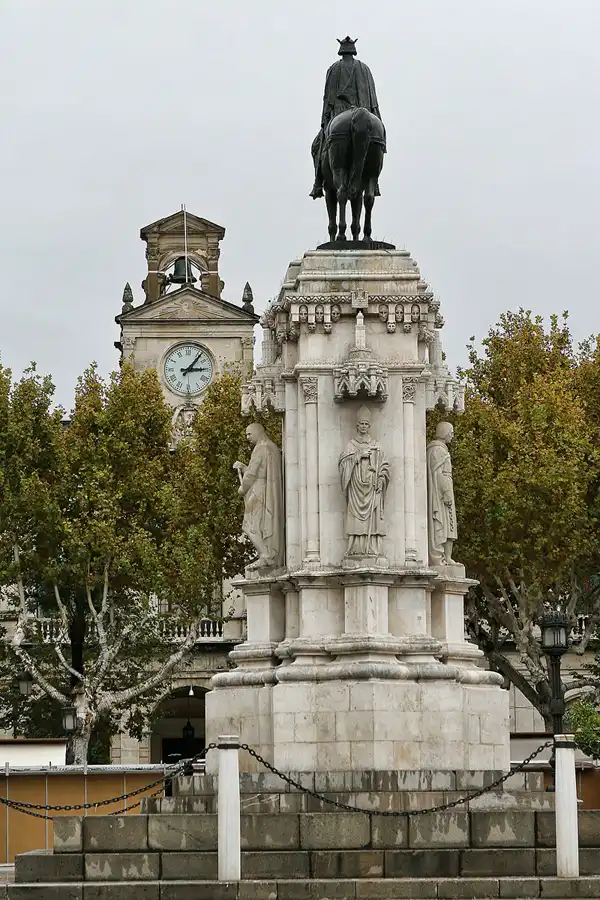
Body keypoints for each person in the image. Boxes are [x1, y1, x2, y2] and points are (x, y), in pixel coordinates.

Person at [310, 36, 384, 199]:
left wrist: (325, 120)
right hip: (365, 112)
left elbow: (328, 99)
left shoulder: (334, 69)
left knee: (317, 145)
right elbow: (373, 99)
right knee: (378, 141)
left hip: (338, 113)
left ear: (341, 51)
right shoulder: (365, 69)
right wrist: (376, 118)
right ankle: (374, 183)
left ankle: (318, 183)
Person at [338, 406, 390, 557]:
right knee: (356, 520)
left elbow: (385, 466)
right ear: (357, 425)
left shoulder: (376, 446)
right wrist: (358, 456)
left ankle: (373, 547)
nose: (364, 426)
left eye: (366, 424)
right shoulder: (351, 445)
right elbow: (342, 464)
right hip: (356, 489)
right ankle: (355, 547)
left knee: (373, 520)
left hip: (372, 488)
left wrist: (381, 479)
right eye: (361, 423)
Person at [233, 423, 284, 570]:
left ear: (257, 432)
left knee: (249, 525)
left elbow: (252, 474)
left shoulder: (260, 448)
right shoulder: (272, 447)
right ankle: (268, 554)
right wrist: (244, 467)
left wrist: (242, 488)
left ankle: (265, 555)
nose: (247, 437)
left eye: (249, 434)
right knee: (260, 524)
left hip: (259, 490)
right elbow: (261, 470)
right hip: (268, 489)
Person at [426, 422, 458, 565]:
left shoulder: (442, 449)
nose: (452, 435)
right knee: (443, 523)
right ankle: (440, 556)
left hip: (446, 488)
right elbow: (438, 474)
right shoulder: (437, 450)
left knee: (450, 524)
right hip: (441, 492)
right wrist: (446, 492)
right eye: (451, 432)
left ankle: (448, 556)